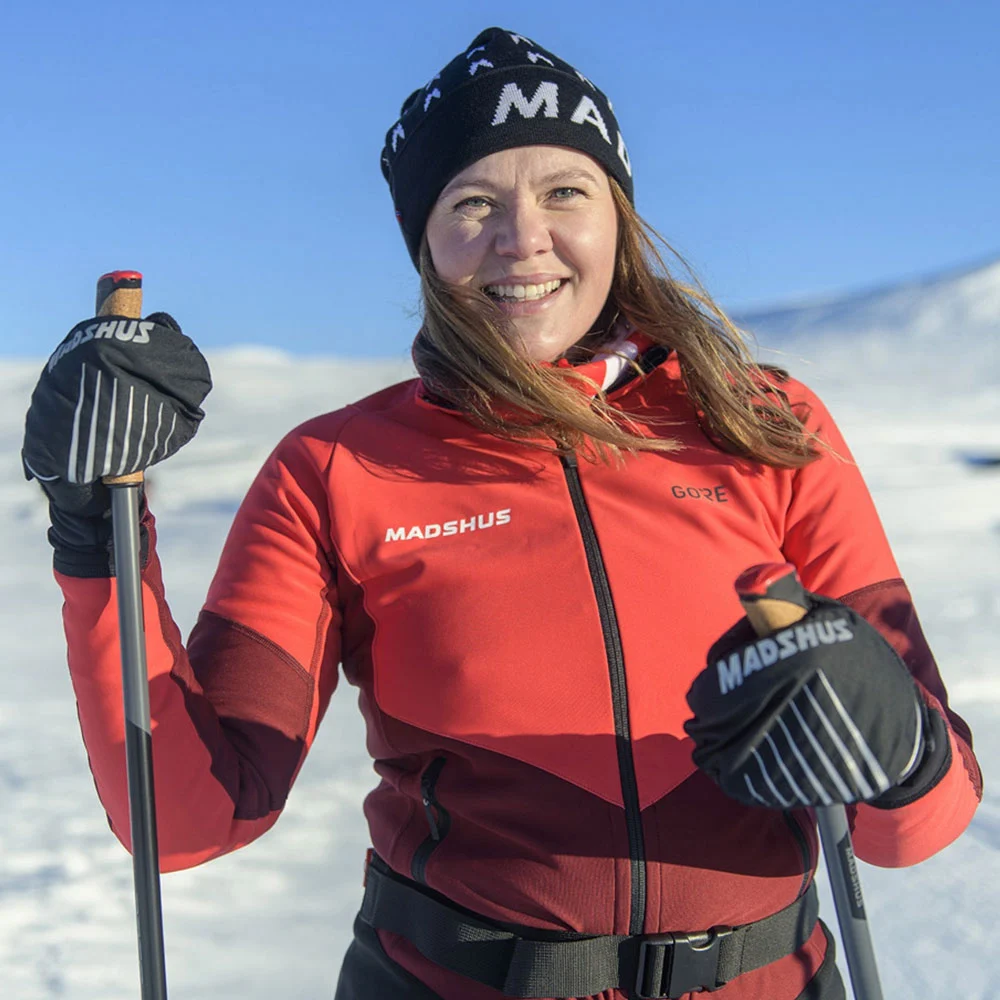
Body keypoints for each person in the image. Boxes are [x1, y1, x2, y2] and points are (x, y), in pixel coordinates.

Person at [22, 27, 982, 1000]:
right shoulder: (335, 468)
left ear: (618, 219)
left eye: (565, 191)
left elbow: (915, 824)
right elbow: (187, 819)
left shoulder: (765, 423)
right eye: (472, 202)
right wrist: (93, 525)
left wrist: (890, 739)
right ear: (425, 243)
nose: (522, 238)